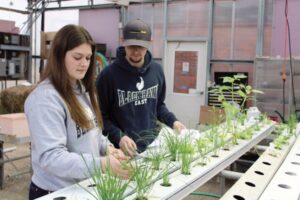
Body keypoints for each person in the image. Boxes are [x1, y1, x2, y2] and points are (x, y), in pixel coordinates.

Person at [25, 24, 129, 200]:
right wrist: (102, 164)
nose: (84, 64)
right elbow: (52, 157)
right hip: (55, 192)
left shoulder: (80, 90)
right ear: (59, 55)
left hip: (82, 187)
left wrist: (107, 148)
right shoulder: (45, 99)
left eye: (88, 58)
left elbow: (91, 132)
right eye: (77, 57)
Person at [96, 19, 186, 157]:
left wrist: (174, 121)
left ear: (150, 42)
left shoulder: (157, 70)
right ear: (122, 41)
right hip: (121, 152)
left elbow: (158, 106)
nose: (136, 52)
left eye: (141, 46)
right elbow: (100, 117)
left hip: (153, 146)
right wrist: (119, 137)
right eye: (132, 46)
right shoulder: (108, 76)